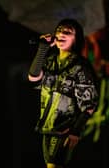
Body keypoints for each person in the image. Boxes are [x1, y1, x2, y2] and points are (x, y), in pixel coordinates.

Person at [28, 18, 99, 168]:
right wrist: (43, 48)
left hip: (64, 128)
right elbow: (34, 78)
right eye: (59, 31)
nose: (61, 34)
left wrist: (76, 130)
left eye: (67, 32)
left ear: (76, 39)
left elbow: (90, 104)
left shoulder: (80, 66)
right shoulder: (50, 61)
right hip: (47, 126)